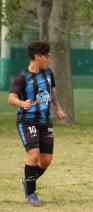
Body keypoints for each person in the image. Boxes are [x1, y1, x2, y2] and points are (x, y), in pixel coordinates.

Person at [7, 41, 65, 206]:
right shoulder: (22, 77)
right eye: (47, 56)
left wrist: (59, 108)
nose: (49, 59)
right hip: (27, 121)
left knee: (46, 161)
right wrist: (21, 103)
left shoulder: (48, 73)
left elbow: (51, 92)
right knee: (33, 156)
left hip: (45, 121)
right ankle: (31, 192)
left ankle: (27, 180)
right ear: (37, 57)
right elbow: (10, 98)